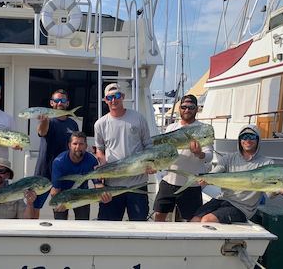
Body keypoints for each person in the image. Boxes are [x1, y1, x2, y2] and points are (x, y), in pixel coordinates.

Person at [191, 125, 283, 224]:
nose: (248, 140)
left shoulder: (267, 164)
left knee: (207, 220)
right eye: (244, 136)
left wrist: (278, 190)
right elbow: (215, 172)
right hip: (222, 199)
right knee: (195, 220)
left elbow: (269, 194)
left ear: (258, 140)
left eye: (252, 137)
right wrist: (205, 179)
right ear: (239, 140)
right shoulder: (228, 158)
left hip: (242, 207)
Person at [94, 83, 153, 221]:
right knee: (108, 226)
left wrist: (150, 164)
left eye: (117, 96)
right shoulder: (100, 123)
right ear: (105, 100)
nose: (114, 100)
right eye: (110, 97)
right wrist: (102, 165)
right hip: (112, 186)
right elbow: (100, 150)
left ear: (123, 97)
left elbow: (148, 146)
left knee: (139, 225)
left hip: (137, 185)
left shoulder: (138, 118)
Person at [153, 94, 213, 221]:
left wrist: (199, 153)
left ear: (196, 109)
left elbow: (209, 156)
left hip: (191, 185)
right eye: (184, 107)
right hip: (169, 181)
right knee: (158, 215)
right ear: (179, 109)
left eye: (191, 107)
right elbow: (163, 152)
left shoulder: (204, 129)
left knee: (192, 220)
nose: (187, 110)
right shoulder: (171, 128)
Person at [33, 89, 79, 218]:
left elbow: (75, 147)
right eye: (57, 100)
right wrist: (43, 121)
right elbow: (42, 132)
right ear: (51, 103)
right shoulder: (48, 120)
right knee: (35, 205)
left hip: (64, 174)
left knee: (61, 210)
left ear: (67, 103)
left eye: (63, 100)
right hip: (44, 172)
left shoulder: (73, 124)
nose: (60, 103)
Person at [51, 131, 112, 220]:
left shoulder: (91, 160)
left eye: (81, 144)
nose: (78, 147)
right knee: (60, 224)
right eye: (75, 144)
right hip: (62, 195)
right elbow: (55, 190)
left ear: (86, 146)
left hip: (82, 195)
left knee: (83, 224)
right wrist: (58, 203)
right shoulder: (59, 162)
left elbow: (98, 184)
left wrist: (104, 194)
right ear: (69, 145)